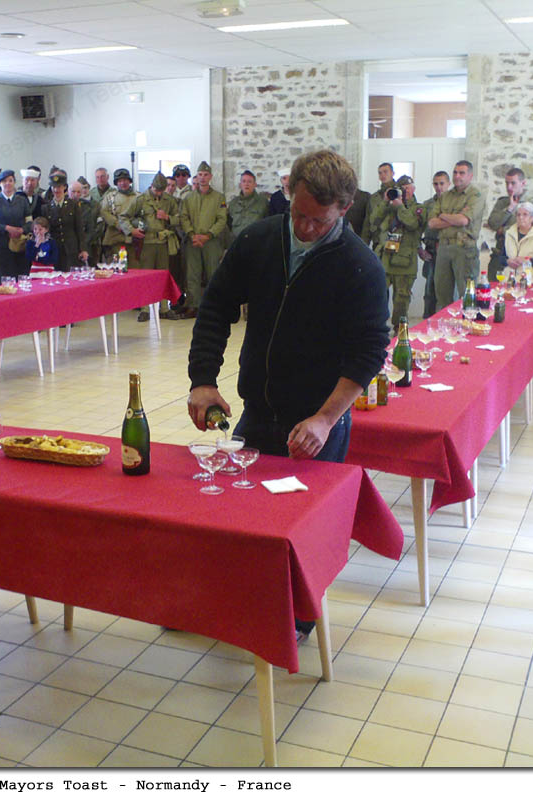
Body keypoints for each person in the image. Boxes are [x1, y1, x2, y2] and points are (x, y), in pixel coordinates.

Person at [187, 150, 388, 635]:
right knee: (237, 513)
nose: (305, 228)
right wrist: (203, 380)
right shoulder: (259, 239)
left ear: (344, 209)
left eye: (319, 220)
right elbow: (215, 307)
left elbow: (368, 352)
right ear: (289, 194)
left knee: (301, 528)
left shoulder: (360, 266)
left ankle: (293, 622)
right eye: (298, 214)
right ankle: (223, 602)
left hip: (318, 420)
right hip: (259, 409)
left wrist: (325, 418)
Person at [427, 160, 486, 309]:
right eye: (455, 172)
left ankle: (468, 321)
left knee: (466, 295)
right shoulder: (445, 196)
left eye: (462, 173)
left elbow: (463, 220)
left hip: (464, 249)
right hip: (444, 248)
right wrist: (455, 217)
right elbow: (432, 223)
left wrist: (443, 215)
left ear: (470, 176)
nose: (457, 176)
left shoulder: (475, 195)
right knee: (442, 295)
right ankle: (444, 323)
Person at [368, 174, 423, 332]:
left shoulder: (418, 208)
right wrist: (385, 201)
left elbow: (412, 224)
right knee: (377, 294)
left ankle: (399, 330)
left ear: (413, 189)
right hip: (386, 258)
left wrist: (400, 207)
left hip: (405, 261)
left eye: (407, 189)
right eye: (401, 189)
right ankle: (376, 327)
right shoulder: (389, 207)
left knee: (401, 299)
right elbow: (374, 220)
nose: (405, 192)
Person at [127, 171, 181, 320]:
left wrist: (167, 217)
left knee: (163, 276)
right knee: (146, 276)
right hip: (147, 242)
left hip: (163, 242)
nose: (158, 193)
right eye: (156, 190)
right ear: (151, 186)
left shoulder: (169, 200)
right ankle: (145, 309)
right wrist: (132, 230)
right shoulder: (140, 199)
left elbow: (179, 219)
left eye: (161, 190)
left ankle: (164, 308)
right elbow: (124, 217)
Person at [181, 161, 228, 319]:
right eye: (200, 175)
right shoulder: (188, 198)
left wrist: (208, 235)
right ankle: (193, 306)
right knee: (192, 275)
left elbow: (222, 220)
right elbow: (184, 218)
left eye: (205, 175)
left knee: (213, 274)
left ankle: (213, 306)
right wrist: (191, 234)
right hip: (193, 241)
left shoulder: (219, 198)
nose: (202, 178)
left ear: (210, 177)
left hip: (211, 242)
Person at [0, 169, 30, 282]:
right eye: (4, 181)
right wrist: (7, 228)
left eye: (10, 180)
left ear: (14, 182)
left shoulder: (22, 200)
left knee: (18, 278)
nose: (7, 183)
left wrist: (22, 230)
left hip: (19, 245)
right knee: (0, 280)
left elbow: (29, 222)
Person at [486, 167, 533, 271]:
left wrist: (503, 230)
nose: (509, 187)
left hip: (519, 256)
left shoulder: (531, 204)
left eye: (513, 183)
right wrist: (509, 209)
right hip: (500, 253)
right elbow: (492, 223)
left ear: (523, 183)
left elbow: (525, 228)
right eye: (507, 183)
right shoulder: (502, 202)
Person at [418, 170, 449, 318]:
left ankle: (446, 321)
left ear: (448, 184)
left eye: (442, 183)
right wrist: (419, 249)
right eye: (436, 184)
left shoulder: (454, 204)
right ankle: (428, 321)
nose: (439, 187)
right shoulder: (427, 205)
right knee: (430, 290)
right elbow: (417, 229)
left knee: (448, 291)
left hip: (449, 250)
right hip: (431, 252)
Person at [44, 174, 87, 270]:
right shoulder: (46, 207)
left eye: (59, 186)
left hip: (71, 249)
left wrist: (83, 249)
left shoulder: (73, 205)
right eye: (54, 187)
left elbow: (79, 229)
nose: (56, 190)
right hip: (54, 249)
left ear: (64, 187)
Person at [98, 168, 140, 266]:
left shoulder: (138, 197)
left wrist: (134, 228)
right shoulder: (110, 197)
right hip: (115, 239)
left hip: (134, 240)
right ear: (116, 183)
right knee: (117, 268)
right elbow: (104, 212)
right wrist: (119, 225)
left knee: (134, 268)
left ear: (129, 181)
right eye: (120, 181)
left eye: (125, 180)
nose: (123, 183)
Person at [503, 202, 533, 280]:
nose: (521, 217)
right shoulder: (509, 233)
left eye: (525, 214)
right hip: (510, 280)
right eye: (518, 215)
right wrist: (507, 261)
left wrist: (528, 261)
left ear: (532, 218)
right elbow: (501, 257)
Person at [227, 169, 269, 240]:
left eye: (249, 181)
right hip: (237, 241)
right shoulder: (233, 203)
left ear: (255, 184)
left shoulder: (263, 202)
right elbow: (228, 223)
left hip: (256, 241)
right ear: (240, 185)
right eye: (244, 181)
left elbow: (268, 224)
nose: (246, 184)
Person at [364, 162, 396, 251]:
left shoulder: (401, 193)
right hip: (378, 241)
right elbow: (367, 223)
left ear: (392, 173)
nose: (382, 175)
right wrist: (364, 245)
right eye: (380, 173)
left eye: (385, 172)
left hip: (395, 240)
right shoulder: (374, 197)